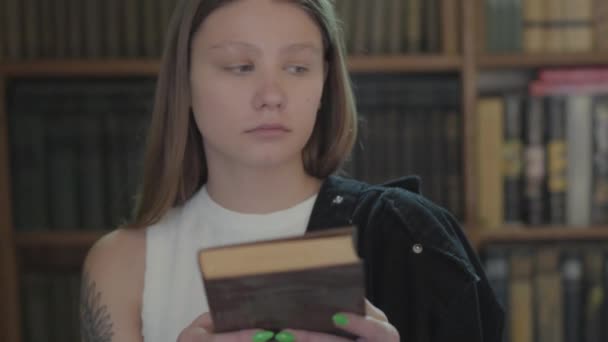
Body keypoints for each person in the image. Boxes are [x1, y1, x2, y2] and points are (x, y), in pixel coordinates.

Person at [80, 0, 504, 341]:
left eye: (298, 68)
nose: (271, 95)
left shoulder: (407, 235)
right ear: (184, 83)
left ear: (324, 85)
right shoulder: (122, 264)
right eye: (240, 67)